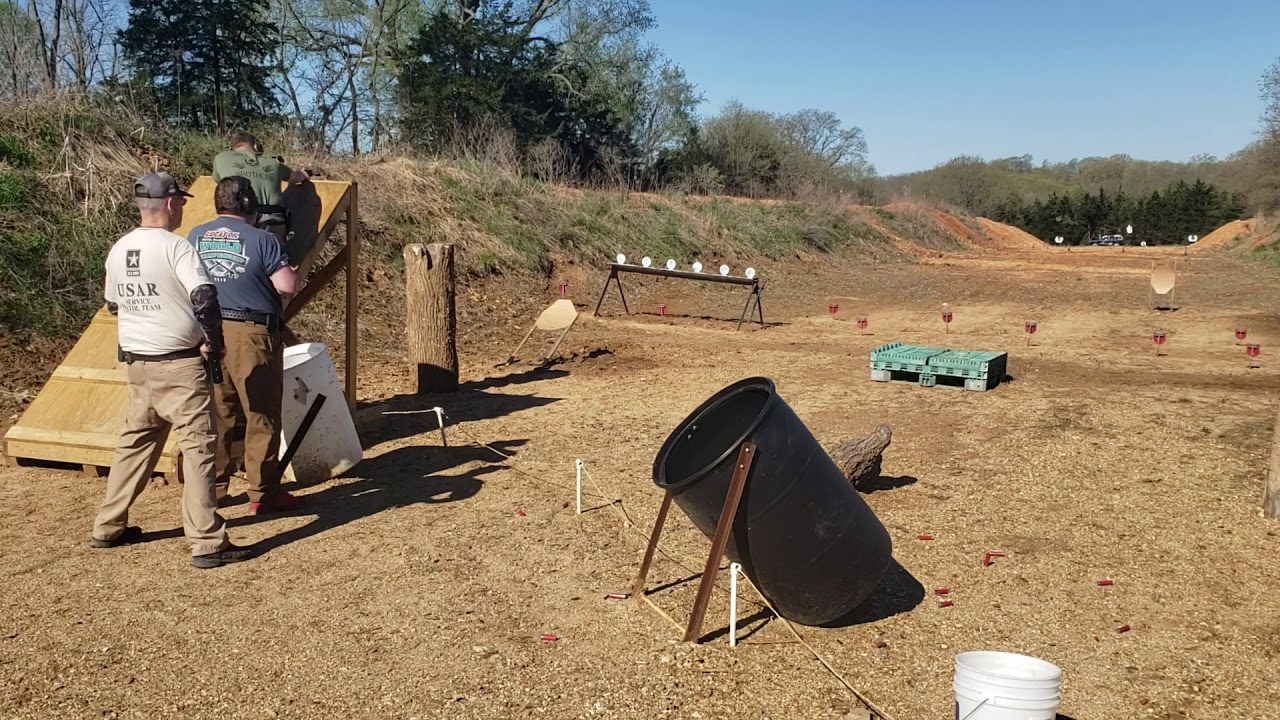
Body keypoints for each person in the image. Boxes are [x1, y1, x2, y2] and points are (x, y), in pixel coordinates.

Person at [91, 172, 255, 570]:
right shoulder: (176, 248)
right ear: (168, 204)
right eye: (179, 201)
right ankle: (206, 540)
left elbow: (114, 304)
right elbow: (203, 295)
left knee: (134, 445)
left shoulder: (119, 249)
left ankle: (108, 526)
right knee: (199, 448)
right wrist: (212, 343)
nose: (182, 206)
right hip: (179, 364)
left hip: (139, 365)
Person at [188, 176, 303, 515]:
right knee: (260, 412)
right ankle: (263, 493)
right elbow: (286, 286)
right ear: (251, 206)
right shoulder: (263, 240)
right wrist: (291, 268)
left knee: (219, 411)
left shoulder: (195, 236)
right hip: (253, 334)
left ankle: (216, 488)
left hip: (209, 331)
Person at [212, 132, 311, 245]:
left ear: (232, 148)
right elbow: (297, 178)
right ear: (256, 146)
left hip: (239, 223)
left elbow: (222, 183)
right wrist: (305, 173)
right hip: (272, 223)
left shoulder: (221, 158)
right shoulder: (273, 162)